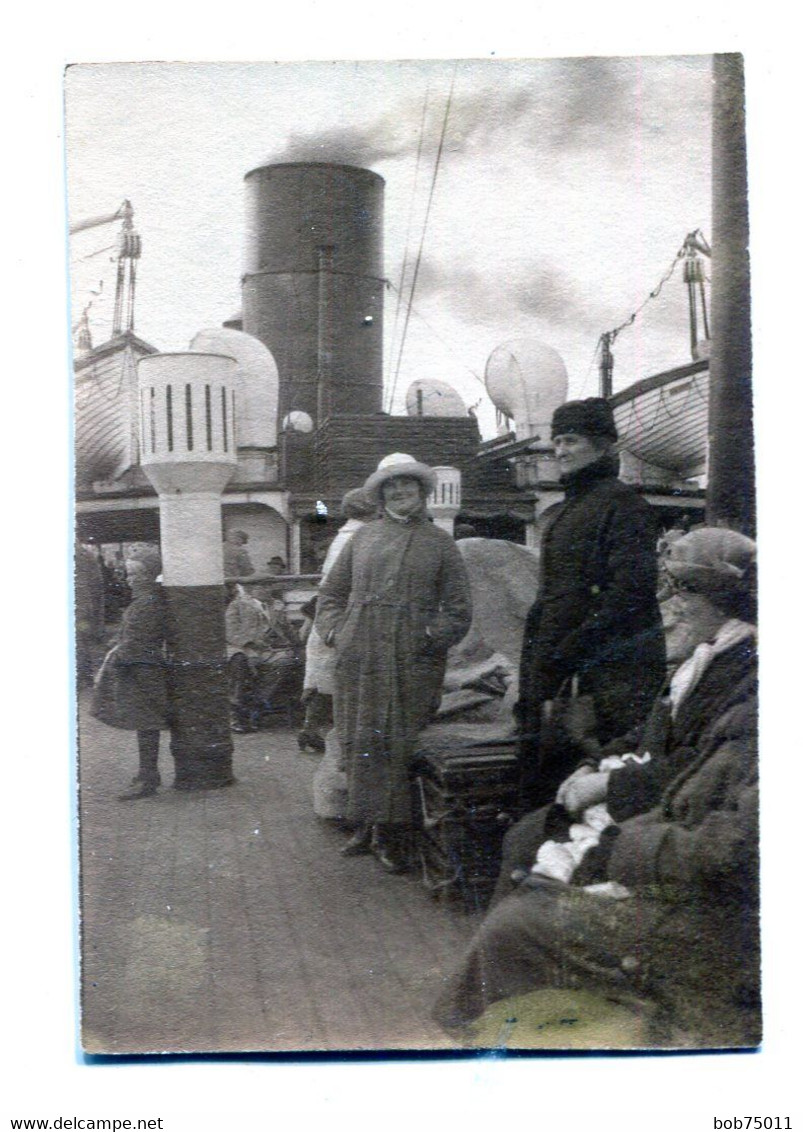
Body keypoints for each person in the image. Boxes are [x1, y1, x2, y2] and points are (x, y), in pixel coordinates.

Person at [433, 528, 759, 1048]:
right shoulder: (705, 661)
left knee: (521, 909)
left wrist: (613, 810)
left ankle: (508, 1023)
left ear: (722, 602)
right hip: (671, 833)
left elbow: (700, 790)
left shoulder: (743, 680)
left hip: (709, 905)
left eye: (681, 592)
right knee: (526, 842)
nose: (666, 606)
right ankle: (517, 1009)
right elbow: (656, 741)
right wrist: (595, 767)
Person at [316, 453, 473, 872]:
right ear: (381, 493)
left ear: (422, 492)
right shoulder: (363, 538)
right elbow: (330, 595)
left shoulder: (440, 542)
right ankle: (364, 827)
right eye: (391, 486)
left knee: (396, 744)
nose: (400, 492)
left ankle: (393, 835)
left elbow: (458, 610)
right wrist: (336, 633)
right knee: (357, 739)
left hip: (410, 662)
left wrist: (425, 636)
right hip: (360, 655)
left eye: (408, 485)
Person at [516, 397, 665, 812]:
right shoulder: (571, 507)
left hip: (608, 674)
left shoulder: (624, 506)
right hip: (564, 662)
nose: (560, 450)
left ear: (603, 446)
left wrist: (571, 651)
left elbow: (630, 595)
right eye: (557, 441)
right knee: (549, 761)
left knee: (584, 765)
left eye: (571, 440)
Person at [299, 487, 377, 752]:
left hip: (328, 616)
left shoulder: (342, 536)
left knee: (321, 677)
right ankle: (333, 735)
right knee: (339, 679)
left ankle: (311, 729)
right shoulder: (360, 537)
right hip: (343, 618)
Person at [90, 547, 171, 800]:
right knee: (144, 723)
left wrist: (115, 657)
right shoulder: (143, 602)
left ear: (148, 575)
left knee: (147, 723)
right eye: (129, 573)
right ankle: (146, 774)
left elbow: (138, 641)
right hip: (140, 667)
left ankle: (148, 778)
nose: (129, 579)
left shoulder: (147, 604)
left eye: (135, 574)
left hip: (142, 669)